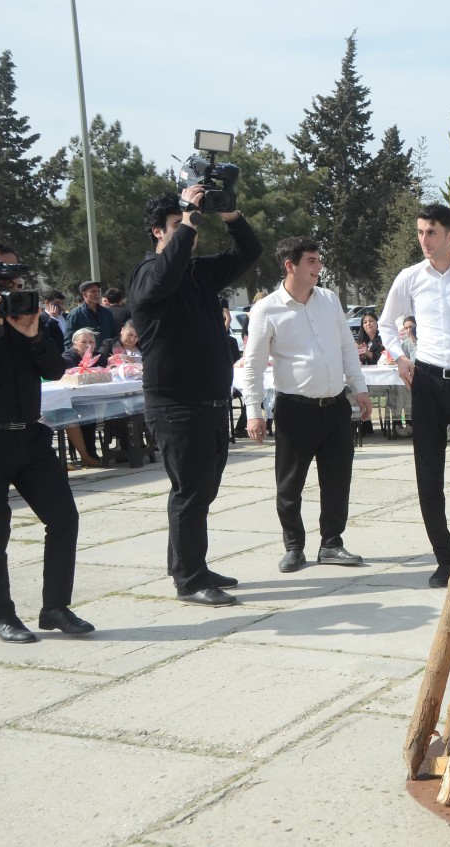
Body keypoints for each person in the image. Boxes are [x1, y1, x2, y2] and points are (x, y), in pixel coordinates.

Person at [127, 186, 263, 607]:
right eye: (178, 224)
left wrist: (228, 213)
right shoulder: (147, 275)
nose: (190, 230)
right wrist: (187, 215)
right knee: (189, 490)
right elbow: (165, 276)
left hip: (211, 401)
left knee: (202, 490)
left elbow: (250, 250)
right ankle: (189, 579)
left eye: (190, 224)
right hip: (175, 405)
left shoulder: (199, 273)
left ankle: (192, 565)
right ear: (157, 232)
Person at [378, 203, 450, 589]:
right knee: (427, 474)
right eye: (421, 232)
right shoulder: (410, 278)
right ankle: (444, 559)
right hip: (425, 380)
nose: (424, 240)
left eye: (431, 233)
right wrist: (398, 358)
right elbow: (385, 323)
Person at [242, 237, 372, 573]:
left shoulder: (329, 300)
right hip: (294, 410)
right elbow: (253, 366)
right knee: (290, 484)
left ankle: (331, 543)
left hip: (335, 406)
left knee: (337, 479)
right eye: (311, 261)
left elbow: (347, 347)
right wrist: (254, 412)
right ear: (291, 265)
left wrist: (360, 388)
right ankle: (294, 546)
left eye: (319, 260)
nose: (318, 267)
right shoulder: (266, 309)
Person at [0, 284, 93, 643]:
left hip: (31, 436)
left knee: (64, 517)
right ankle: (2, 614)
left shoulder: (29, 318)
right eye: (3, 282)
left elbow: (53, 369)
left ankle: (55, 608)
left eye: (17, 284)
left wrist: (32, 334)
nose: (12, 292)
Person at [61, 328, 108, 468]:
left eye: (91, 342)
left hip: (93, 398)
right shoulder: (68, 358)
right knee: (88, 413)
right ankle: (88, 455)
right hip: (72, 400)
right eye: (84, 342)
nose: (88, 345)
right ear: (75, 344)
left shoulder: (99, 356)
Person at [64, 279, 116, 348]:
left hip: (106, 354)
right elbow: (69, 340)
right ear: (84, 294)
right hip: (86, 356)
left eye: (98, 291)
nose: (97, 294)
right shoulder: (75, 314)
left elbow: (114, 335)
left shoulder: (107, 313)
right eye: (93, 291)